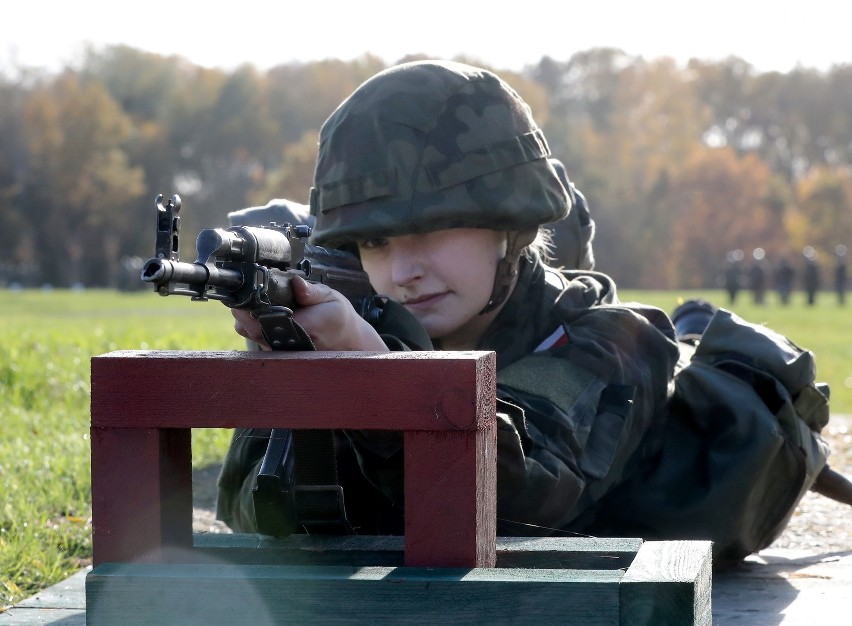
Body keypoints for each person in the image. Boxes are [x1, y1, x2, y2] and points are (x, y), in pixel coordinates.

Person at [216, 60, 839, 566]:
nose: (403, 268)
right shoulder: (371, 323)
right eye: (375, 243)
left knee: (681, 336)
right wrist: (300, 383)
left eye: (435, 230)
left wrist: (375, 377)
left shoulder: (613, 342)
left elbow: (525, 500)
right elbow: (257, 512)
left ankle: (694, 325)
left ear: (510, 226)